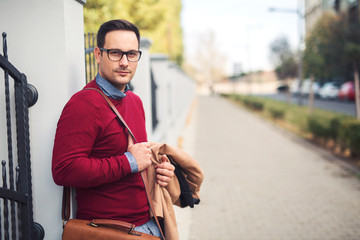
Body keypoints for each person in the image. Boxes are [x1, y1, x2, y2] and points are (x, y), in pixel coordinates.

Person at [52, 19, 175, 238]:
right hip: (110, 232)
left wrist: (158, 172)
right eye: (115, 53)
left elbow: (137, 163)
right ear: (98, 54)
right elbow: (64, 169)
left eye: (131, 54)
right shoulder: (84, 103)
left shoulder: (134, 101)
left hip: (149, 226)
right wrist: (128, 161)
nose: (125, 62)